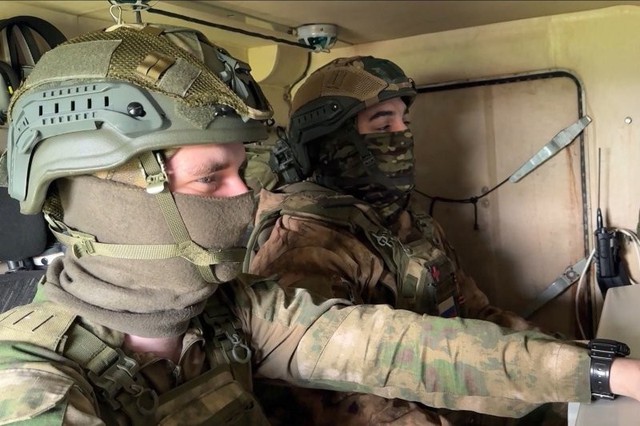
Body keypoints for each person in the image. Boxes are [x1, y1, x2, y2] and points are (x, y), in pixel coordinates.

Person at [1, 24, 640, 426]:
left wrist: (601, 372)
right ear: (103, 199)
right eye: (210, 179)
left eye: (242, 171)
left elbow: (397, 350)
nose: (248, 199)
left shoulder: (230, 311)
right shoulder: (32, 384)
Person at [246, 56, 549, 424]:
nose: (402, 134)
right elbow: (336, 403)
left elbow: (474, 314)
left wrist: (555, 362)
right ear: (331, 141)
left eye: (405, 122)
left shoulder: (408, 221)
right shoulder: (305, 245)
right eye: (383, 124)